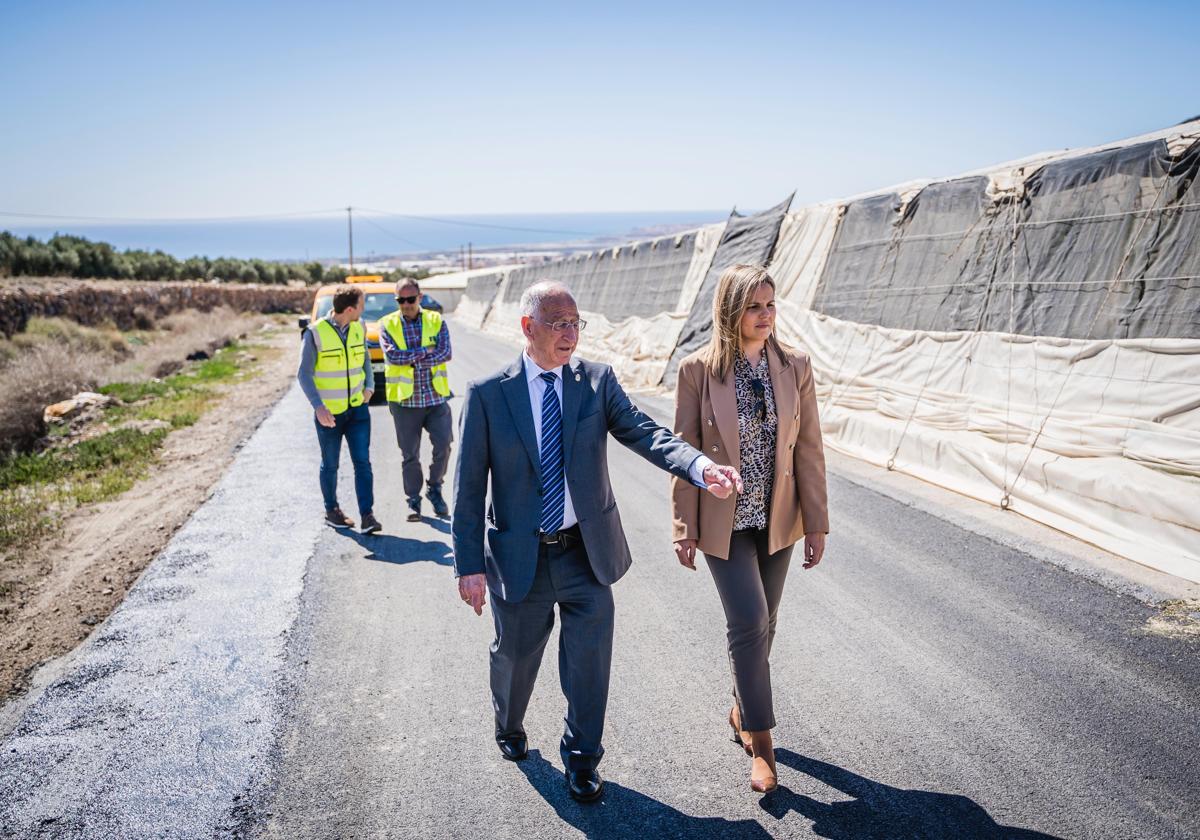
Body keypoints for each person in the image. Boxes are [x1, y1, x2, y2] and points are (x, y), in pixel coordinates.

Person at [452, 281, 743, 803]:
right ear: (528, 327)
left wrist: (700, 466)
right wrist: (467, 565)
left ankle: (583, 759)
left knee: (589, 666)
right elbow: (469, 491)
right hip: (521, 557)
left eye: (575, 322)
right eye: (558, 323)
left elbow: (645, 431)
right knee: (515, 658)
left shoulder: (597, 382)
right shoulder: (489, 395)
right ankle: (509, 721)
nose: (570, 333)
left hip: (586, 553)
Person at [670, 264, 829, 795]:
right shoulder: (698, 371)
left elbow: (808, 450)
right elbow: (684, 451)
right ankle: (762, 748)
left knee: (767, 624)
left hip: (777, 517)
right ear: (731, 311)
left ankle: (742, 709)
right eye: (754, 306)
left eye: (771, 305)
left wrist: (817, 523)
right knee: (750, 620)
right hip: (725, 521)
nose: (766, 316)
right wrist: (683, 525)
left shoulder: (796, 366)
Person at [297, 284, 381, 534]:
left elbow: (365, 358)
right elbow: (303, 374)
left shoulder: (360, 326)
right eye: (362, 304)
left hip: (358, 410)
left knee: (363, 463)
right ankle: (332, 511)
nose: (363, 309)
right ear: (349, 308)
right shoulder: (315, 333)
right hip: (329, 415)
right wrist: (318, 407)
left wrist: (370, 385)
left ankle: (368, 516)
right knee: (330, 464)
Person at [378, 279, 454, 521]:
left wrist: (411, 357)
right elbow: (393, 357)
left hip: (435, 399)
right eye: (401, 300)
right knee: (409, 455)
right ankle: (413, 499)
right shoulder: (387, 324)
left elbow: (445, 353)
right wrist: (425, 352)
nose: (407, 304)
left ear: (420, 297)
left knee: (444, 446)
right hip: (405, 403)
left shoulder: (436, 321)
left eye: (411, 299)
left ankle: (434, 488)